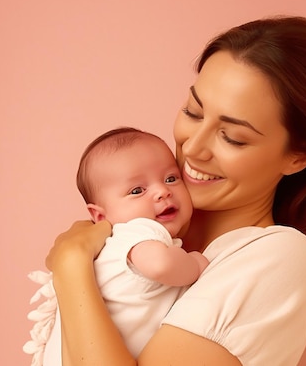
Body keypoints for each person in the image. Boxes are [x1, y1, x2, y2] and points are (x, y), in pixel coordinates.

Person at [45, 15, 306, 365]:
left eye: (232, 137)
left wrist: (71, 266)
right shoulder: (143, 225)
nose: (193, 148)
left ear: (297, 157)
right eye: (193, 112)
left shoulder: (280, 257)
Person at [24, 127, 209, 366]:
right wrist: (195, 263)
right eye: (137, 191)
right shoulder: (136, 232)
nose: (162, 192)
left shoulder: (108, 248)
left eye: (171, 179)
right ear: (99, 215)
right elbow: (160, 265)